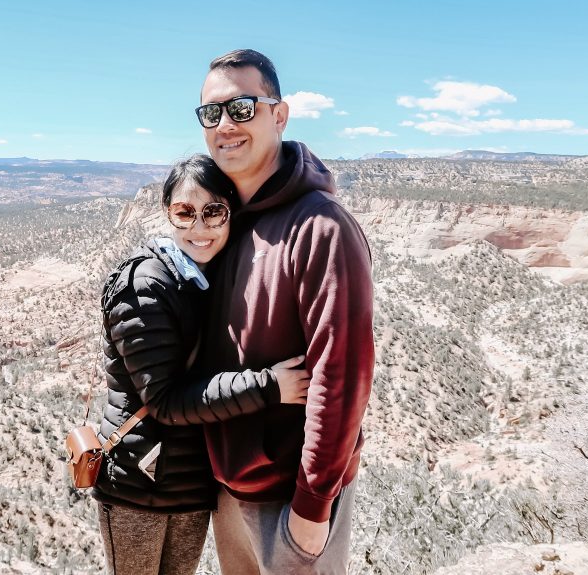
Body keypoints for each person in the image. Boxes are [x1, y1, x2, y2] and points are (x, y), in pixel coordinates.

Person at [196, 49, 375, 574]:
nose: (225, 125)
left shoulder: (321, 227)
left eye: (242, 108)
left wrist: (312, 508)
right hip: (228, 490)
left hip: (290, 503)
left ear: (279, 114)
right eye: (211, 113)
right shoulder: (223, 222)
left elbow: (340, 375)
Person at [92, 154, 311, 575]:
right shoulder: (146, 287)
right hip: (136, 485)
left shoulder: (208, 282)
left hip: (190, 488)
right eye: (185, 212)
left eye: (214, 212)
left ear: (231, 213)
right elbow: (166, 401)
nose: (200, 227)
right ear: (167, 214)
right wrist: (269, 387)